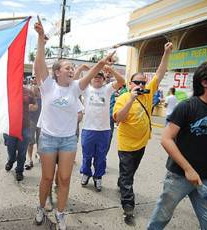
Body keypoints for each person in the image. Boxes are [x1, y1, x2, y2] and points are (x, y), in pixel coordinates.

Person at [33, 16, 116, 230]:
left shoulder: (76, 87)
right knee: (47, 177)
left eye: (73, 68)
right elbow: (39, 63)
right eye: (68, 67)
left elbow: (90, 73)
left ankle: (60, 214)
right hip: (48, 139)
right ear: (57, 71)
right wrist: (41, 40)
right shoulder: (48, 85)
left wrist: (103, 61)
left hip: (68, 140)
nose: (72, 70)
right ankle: (41, 207)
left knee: (65, 178)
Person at [112, 41, 173, 226]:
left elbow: (160, 72)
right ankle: (128, 206)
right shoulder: (124, 97)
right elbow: (118, 118)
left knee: (129, 173)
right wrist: (131, 98)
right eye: (137, 82)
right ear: (130, 83)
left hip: (141, 143)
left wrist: (166, 53)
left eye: (143, 82)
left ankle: (122, 183)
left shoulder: (148, 94)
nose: (140, 85)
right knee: (128, 176)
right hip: (126, 145)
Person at [147, 62, 207, 229]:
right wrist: (188, 169)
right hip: (179, 176)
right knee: (161, 218)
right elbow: (166, 139)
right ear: (205, 82)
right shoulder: (187, 106)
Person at [80, 64, 125, 192]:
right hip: (88, 129)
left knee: (101, 157)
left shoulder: (107, 89)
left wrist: (111, 70)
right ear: (91, 79)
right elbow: (75, 82)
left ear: (104, 79)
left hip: (104, 130)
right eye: (94, 76)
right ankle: (86, 173)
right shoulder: (86, 89)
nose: (97, 78)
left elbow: (122, 81)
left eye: (100, 77)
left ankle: (98, 176)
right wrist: (81, 69)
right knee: (86, 155)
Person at [3, 81, 36, 181]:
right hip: (10, 126)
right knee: (11, 149)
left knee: (22, 151)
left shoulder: (28, 91)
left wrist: (32, 107)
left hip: (25, 126)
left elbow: (35, 105)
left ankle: (19, 171)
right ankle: (11, 160)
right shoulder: (6, 90)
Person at [25, 76, 42, 170]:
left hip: (41, 120)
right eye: (33, 78)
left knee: (40, 140)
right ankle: (29, 159)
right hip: (31, 120)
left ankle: (38, 154)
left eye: (36, 78)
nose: (34, 79)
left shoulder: (43, 90)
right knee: (30, 141)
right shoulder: (28, 90)